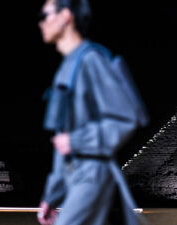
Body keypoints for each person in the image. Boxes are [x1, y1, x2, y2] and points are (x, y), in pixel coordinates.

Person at [36, 0, 149, 224]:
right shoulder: (66, 69)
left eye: (44, 15)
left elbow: (125, 119)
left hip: (92, 172)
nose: (40, 23)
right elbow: (62, 141)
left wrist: (77, 140)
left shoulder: (91, 60)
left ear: (65, 16)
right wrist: (52, 195)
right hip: (75, 174)